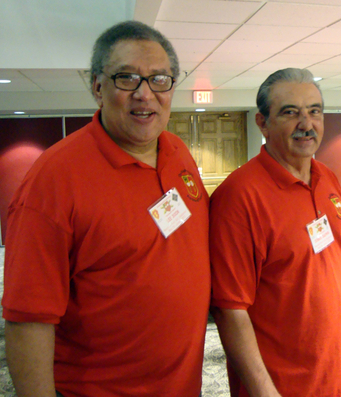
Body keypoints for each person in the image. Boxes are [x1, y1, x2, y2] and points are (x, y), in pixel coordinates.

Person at [2, 21, 210, 397]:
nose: (145, 95)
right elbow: (27, 321)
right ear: (97, 87)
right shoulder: (53, 181)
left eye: (160, 79)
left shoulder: (177, 152)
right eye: (127, 78)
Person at [209, 68, 341, 397]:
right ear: (262, 123)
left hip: (335, 378)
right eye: (290, 113)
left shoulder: (326, 178)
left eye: (314, 111)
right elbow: (229, 309)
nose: (306, 124)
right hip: (280, 386)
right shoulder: (239, 197)